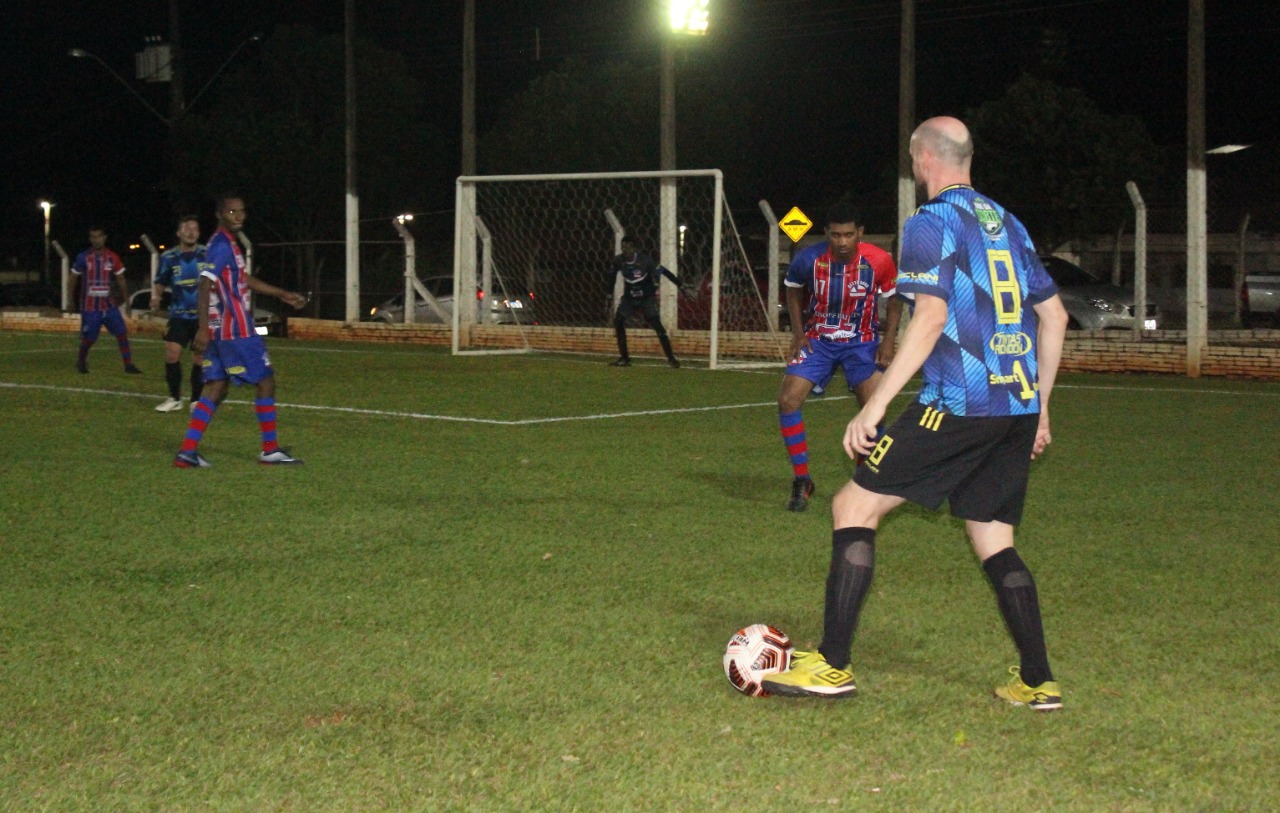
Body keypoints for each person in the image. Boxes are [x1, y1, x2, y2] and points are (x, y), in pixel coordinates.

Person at [762, 117, 1070, 711]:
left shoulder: (931, 221)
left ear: (923, 159)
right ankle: (1038, 681)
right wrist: (1042, 409)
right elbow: (1054, 317)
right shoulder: (1007, 221)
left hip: (960, 403)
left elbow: (929, 318)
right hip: (1016, 405)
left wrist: (875, 406)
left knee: (853, 506)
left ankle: (832, 665)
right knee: (992, 534)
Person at [778, 199, 903, 512]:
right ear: (826, 233)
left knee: (875, 410)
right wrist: (798, 333)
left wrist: (889, 341)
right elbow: (793, 289)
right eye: (835, 235)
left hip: (862, 342)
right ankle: (802, 479)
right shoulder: (809, 259)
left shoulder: (879, 260)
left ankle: (863, 481)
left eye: (848, 234)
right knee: (788, 400)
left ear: (860, 232)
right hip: (818, 341)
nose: (842, 242)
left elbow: (894, 298)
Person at [173, 193, 308, 468]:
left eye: (241, 211)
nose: (238, 216)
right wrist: (202, 329)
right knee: (265, 381)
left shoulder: (226, 243)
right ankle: (270, 449)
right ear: (219, 214)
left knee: (216, 387)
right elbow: (204, 284)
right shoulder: (222, 245)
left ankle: (187, 451)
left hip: (221, 330)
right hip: (235, 328)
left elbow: (241, 279)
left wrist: (281, 293)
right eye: (232, 212)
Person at [151, 215, 209, 412]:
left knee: (199, 357)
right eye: (186, 229)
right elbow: (161, 280)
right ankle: (174, 398)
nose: (191, 232)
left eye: (194, 229)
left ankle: (196, 400)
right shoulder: (169, 257)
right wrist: (156, 297)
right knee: (172, 353)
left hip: (202, 316)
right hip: (178, 315)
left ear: (199, 233)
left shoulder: (207, 255)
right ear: (178, 233)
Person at [70, 226, 141, 375]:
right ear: (90, 239)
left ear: (104, 238)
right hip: (90, 306)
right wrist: (70, 300)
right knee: (90, 337)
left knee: (121, 332)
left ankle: (128, 364)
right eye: (93, 237)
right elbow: (73, 279)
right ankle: (81, 360)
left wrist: (127, 302)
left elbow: (121, 279)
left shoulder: (112, 257)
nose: (96, 240)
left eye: (99, 236)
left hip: (109, 305)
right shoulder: (83, 257)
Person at [608, 235, 681, 368]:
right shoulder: (618, 260)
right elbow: (611, 277)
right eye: (623, 247)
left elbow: (664, 271)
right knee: (618, 321)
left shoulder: (646, 261)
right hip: (629, 298)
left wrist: (680, 285)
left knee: (657, 325)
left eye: (628, 247)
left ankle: (671, 358)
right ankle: (624, 358)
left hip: (647, 298)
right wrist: (608, 294)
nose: (625, 250)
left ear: (634, 248)